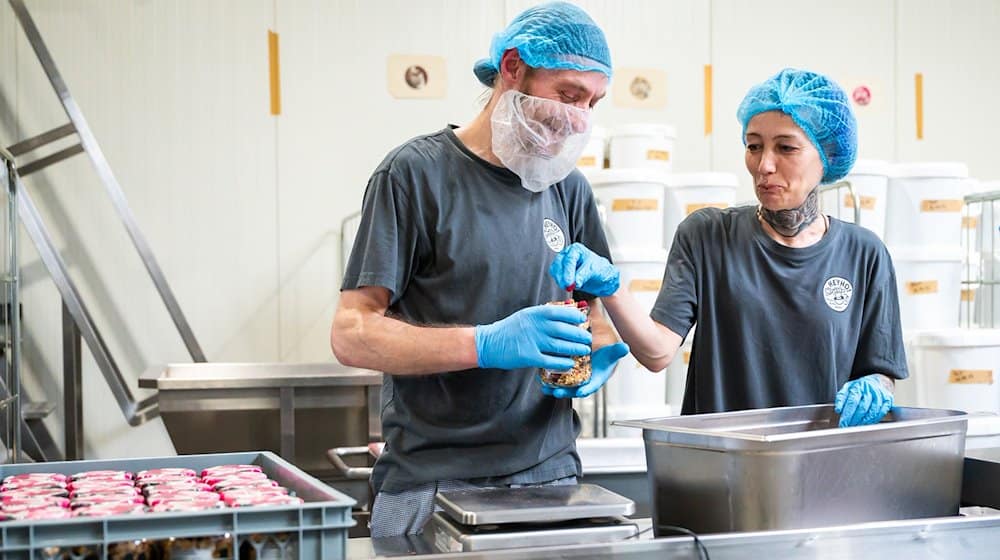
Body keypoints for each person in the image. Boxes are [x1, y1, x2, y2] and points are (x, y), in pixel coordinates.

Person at [331, 2, 629, 538]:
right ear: (513, 69)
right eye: (567, 95)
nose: (580, 118)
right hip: (432, 484)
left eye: (593, 102)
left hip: (552, 478)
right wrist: (485, 344)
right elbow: (352, 334)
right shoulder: (414, 175)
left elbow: (595, 313)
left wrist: (599, 348)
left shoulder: (568, 188)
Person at [549, 68, 907, 427]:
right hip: (722, 467)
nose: (764, 165)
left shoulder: (864, 255)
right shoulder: (707, 237)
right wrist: (612, 289)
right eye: (754, 146)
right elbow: (657, 353)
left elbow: (880, 371)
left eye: (786, 147)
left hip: (819, 466)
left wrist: (875, 386)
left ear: (827, 154)